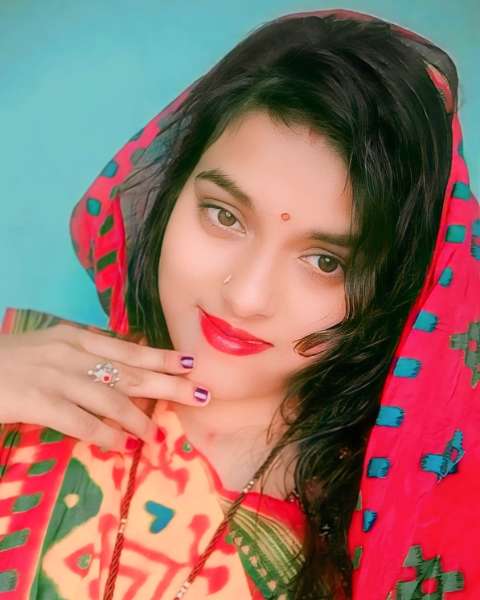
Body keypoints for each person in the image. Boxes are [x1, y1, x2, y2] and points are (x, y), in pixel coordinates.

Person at [0, 8, 478, 599]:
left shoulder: (401, 547)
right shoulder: (21, 383)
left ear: (391, 290)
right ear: (170, 189)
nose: (246, 296)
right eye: (224, 216)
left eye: (325, 262)